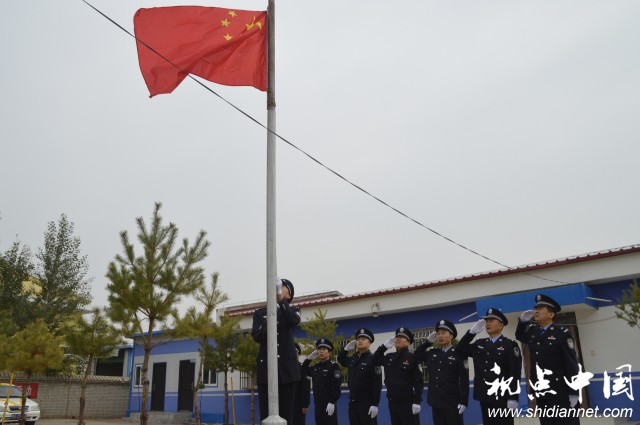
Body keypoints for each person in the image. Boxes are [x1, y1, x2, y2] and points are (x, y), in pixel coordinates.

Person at [516, 294, 580, 425]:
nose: (536, 311)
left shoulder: (561, 333)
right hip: (541, 390)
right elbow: (520, 336)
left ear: (551, 314)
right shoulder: (534, 331)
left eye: (541, 308)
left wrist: (574, 392)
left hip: (560, 391)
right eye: (536, 308)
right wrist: (522, 322)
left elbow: (571, 364)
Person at [456, 309, 521, 425]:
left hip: (502, 397)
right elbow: (459, 350)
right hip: (484, 395)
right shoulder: (480, 344)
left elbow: (514, 373)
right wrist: (471, 333)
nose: (488, 323)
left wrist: (513, 397)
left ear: (501, 325)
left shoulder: (509, 345)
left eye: (492, 320)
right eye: (487, 321)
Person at [252, 278, 301, 425]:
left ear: (289, 294)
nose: (277, 288)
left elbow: (293, 321)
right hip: (266, 371)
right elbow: (256, 336)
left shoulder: (294, 310)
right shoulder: (260, 313)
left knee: (287, 416)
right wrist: (269, 318)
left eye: (282, 287)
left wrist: (280, 302)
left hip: (287, 371)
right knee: (266, 416)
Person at [414, 320, 469, 425]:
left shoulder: (459, 353)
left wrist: (463, 401)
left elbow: (464, 379)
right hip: (436, 402)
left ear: (451, 336)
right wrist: (427, 342)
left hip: (452, 402)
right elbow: (417, 354)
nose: (440, 336)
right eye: (438, 333)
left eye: (443, 333)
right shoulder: (432, 353)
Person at [371, 327, 424, 425]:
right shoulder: (389, 357)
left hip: (408, 403)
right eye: (397, 337)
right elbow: (373, 360)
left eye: (402, 337)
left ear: (408, 343)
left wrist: (417, 401)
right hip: (393, 403)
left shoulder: (412, 358)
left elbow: (419, 382)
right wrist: (384, 347)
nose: (398, 339)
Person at [337, 328, 383, 425]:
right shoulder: (353, 359)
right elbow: (340, 359)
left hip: (366, 403)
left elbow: (377, 384)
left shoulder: (373, 359)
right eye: (358, 339)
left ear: (369, 343)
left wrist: (375, 404)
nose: (360, 341)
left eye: (363, 339)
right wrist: (345, 349)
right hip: (353, 402)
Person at [301, 338, 343, 425]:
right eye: (319, 349)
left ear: (329, 352)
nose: (321, 351)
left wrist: (332, 402)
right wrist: (309, 359)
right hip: (318, 406)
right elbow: (302, 371)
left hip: (328, 405)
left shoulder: (333, 366)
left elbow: (336, 386)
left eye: (324, 349)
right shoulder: (316, 367)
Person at [294, 343, 311, 425]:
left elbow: (306, 388)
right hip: (286, 404)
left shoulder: (302, 368)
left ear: (298, 354)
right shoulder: (284, 368)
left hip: (298, 404)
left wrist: (305, 404)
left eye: (295, 352)